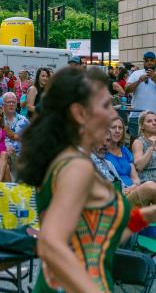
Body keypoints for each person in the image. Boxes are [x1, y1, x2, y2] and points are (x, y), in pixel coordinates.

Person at [17, 66, 156, 292]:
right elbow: (51, 243)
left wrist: (148, 214)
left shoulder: (71, 158)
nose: (114, 113)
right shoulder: (76, 167)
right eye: (105, 105)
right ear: (79, 113)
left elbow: (101, 237)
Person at [126, 52, 156, 137]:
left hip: (154, 117)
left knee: (153, 144)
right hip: (136, 116)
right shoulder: (136, 73)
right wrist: (139, 81)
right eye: (146, 61)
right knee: (134, 142)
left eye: (151, 60)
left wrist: (154, 78)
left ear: (155, 61)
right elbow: (127, 90)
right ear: (143, 62)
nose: (149, 63)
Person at [106, 117, 140, 188]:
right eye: (113, 127)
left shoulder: (125, 150)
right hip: (115, 192)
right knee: (151, 187)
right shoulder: (101, 152)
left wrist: (133, 187)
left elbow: (135, 178)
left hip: (132, 190)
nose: (117, 131)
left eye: (120, 128)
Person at [2, 92, 29, 158]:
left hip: (22, 156)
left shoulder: (24, 120)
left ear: (16, 105)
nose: (11, 104)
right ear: (3, 105)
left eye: (13, 102)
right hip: (3, 154)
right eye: (8, 102)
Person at [131, 110, 156, 183]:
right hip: (148, 181)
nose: (154, 123)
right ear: (142, 126)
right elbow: (139, 166)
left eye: (155, 120)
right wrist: (151, 147)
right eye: (149, 121)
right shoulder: (139, 142)